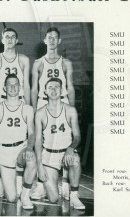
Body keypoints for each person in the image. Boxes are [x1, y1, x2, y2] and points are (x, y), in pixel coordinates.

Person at [31, 27, 75, 199]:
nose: (51, 40)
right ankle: (41, 185)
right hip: (44, 101)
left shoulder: (66, 63)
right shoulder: (38, 63)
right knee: (43, 142)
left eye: (55, 38)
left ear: (59, 41)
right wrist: (35, 110)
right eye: (49, 37)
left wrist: (71, 108)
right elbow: (34, 89)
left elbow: (70, 87)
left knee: (64, 139)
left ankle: (65, 182)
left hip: (62, 102)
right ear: (44, 40)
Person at [35, 77, 85, 209]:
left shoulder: (70, 110)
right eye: (50, 87)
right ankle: (50, 184)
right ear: (45, 91)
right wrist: (39, 166)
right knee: (53, 199)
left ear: (62, 90)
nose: (53, 90)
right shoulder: (40, 113)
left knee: (75, 160)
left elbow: (78, 136)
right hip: (49, 155)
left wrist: (71, 148)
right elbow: (38, 142)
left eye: (56, 87)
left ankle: (74, 196)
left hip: (65, 153)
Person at [0, 74, 36, 210]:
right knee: (11, 198)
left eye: (16, 84)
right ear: (4, 88)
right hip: (4, 152)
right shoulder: (1, 108)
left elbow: (32, 133)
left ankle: (25, 194)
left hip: (21, 148)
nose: (13, 87)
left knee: (31, 158)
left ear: (20, 87)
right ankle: (5, 179)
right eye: (10, 85)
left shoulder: (27, 109)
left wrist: (29, 147)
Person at [0, 28, 30, 104]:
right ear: (2, 40)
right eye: (7, 37)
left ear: (16, 41)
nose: (10, 39)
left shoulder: (24, 60)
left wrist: (28, 106)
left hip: (20, 100)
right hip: (2, 100)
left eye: (13, 37)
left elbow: (26, 86)